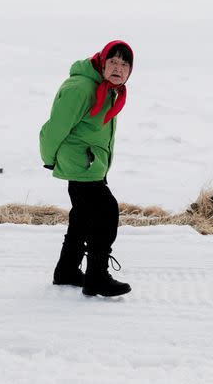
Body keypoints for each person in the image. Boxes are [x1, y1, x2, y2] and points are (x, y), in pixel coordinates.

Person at [39, 40, 134, 297]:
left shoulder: (107, 89)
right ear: (102, 63)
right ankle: (97, 277)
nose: (118, 68)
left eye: (124, 64)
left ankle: (67, 270)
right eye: (113, 62)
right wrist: (49, 159)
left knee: (82, 215)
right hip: (80, 163)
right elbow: (54, 127)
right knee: (106, 212)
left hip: (88, 163)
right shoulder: (82, 88)